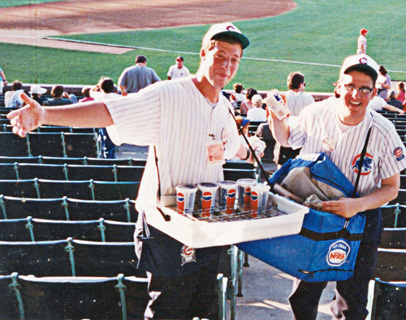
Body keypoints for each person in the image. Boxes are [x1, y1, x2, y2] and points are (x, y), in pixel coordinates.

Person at [8, 22, 256, 320]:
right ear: (203, 54)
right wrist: (46, 114)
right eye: (220, 56)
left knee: (204, 310)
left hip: (205, 228)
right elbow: (110, 112)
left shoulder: (225, 107)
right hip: (169, 229)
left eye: (234, 59)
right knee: (168, 312)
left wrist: (253, 149)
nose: (227, 66)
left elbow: (233, 146)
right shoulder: (169, 94)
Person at [268, 53, 406, 320]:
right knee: (304, 296)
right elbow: (286, 138)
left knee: (352, 304)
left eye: (364, 88)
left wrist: (356, 205)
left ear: (374, 92)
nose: (355, 94)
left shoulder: (383, 129)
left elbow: (392, 187)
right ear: (338, 86)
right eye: (350, 86)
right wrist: (276, 116)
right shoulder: (315, 113)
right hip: (316, 216)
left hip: (360, 219)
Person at [90, 77, 123, 159]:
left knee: (105, 143)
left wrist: (98, 86)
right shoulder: (116, 97)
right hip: (112, 123)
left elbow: (91, 91)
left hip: (102, 123)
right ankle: (110, 161)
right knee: (109, 144)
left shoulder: (99, 96)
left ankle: (107, 160)